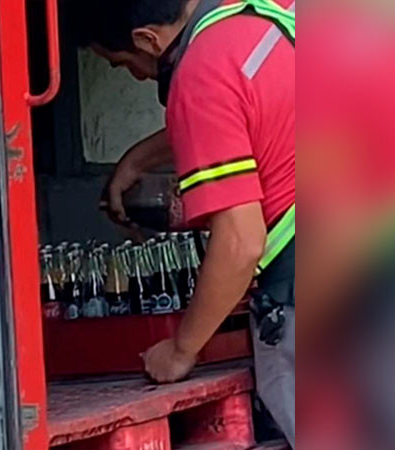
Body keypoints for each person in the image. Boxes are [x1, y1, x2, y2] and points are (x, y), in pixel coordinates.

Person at [79, 0, 295, 445]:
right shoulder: (267, 15)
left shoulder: (200, 73)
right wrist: (138, 160)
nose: (137, 75)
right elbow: (247, 107)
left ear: (146, 39)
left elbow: (240, 242)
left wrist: (181, 349)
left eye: (124, 64)